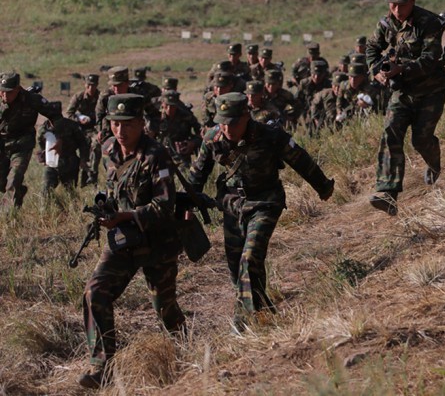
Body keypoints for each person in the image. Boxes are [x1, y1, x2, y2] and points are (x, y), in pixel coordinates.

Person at [189, 93, 334, 330]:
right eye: (223, 121)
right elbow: (196, 176)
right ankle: (264, 311)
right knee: (238, 268)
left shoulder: (270, 135)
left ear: (247, 116)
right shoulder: (213, 138)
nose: (227, 128)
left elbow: (300, 160)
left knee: (250, 258)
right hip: (232, 206)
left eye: (233, 122)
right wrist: (187, 206)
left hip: (265, 203)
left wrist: (323, 186)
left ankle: (246, 323)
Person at [79, 94, 185, 389]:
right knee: (94, 292)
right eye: (115, 123)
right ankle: (101, 366)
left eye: (127, 124)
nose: (120, 131)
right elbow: (115, 189)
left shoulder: (156, 155)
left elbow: (164, 207)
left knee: (165, 309)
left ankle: (185, 349)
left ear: (141, 123)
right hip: (123, 239)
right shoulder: (109, 149)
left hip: (157, 243)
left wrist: (125, 216)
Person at [365, 0, 445, 215]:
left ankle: (434, 163)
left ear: (412, 2)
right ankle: (388, 193)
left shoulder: (428, 22)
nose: (397, 10)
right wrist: (377, 72)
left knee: (421, 140)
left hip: (431, 90)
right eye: (393, 4)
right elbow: (371, 48)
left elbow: (431, 57)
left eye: (402, 5)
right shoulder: (386, 23)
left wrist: (402, 69)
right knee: (391, 132)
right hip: (402, 91)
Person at [0, 71, 62, 208]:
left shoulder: (31, 99)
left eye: (9, 92)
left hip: (22, 144)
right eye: (2, 92)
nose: (4, 95)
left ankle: (6, 215)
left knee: (14, 179)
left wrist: (57, 137)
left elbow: (55, 116)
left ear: (17, 89)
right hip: (2, 144)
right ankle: (19, 192)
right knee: (2, 183)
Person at [35, 101, 88, 195]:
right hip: (52, 164)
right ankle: (45, 209)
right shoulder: (43, 129)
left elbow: (82, 143)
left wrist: (83, 160)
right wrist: (43, 158)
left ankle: (73, 208)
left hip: (70, 163)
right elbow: (41, 145)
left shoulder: (71, 126)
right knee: (45, 192)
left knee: (70, 192)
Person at [68, 73, 102, 185]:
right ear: (85, 85)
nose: (91, 88)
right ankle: (75, 182)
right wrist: (79, 120)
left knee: (96, 148)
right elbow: (69, 114)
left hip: (94, 129)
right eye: (88, 85)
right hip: (79, 130)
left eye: (93, 85)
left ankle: (92, 176)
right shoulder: (79, 97)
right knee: (77, 154)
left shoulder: (101, 97)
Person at [157, 90, 202, 168]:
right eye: (167, 105)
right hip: (160, 154)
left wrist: (192, 143)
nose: (169, 109)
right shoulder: (156, 117)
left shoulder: (186, 116)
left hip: (181, 155)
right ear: (162, 104)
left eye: (173, 106)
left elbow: (201, 133)